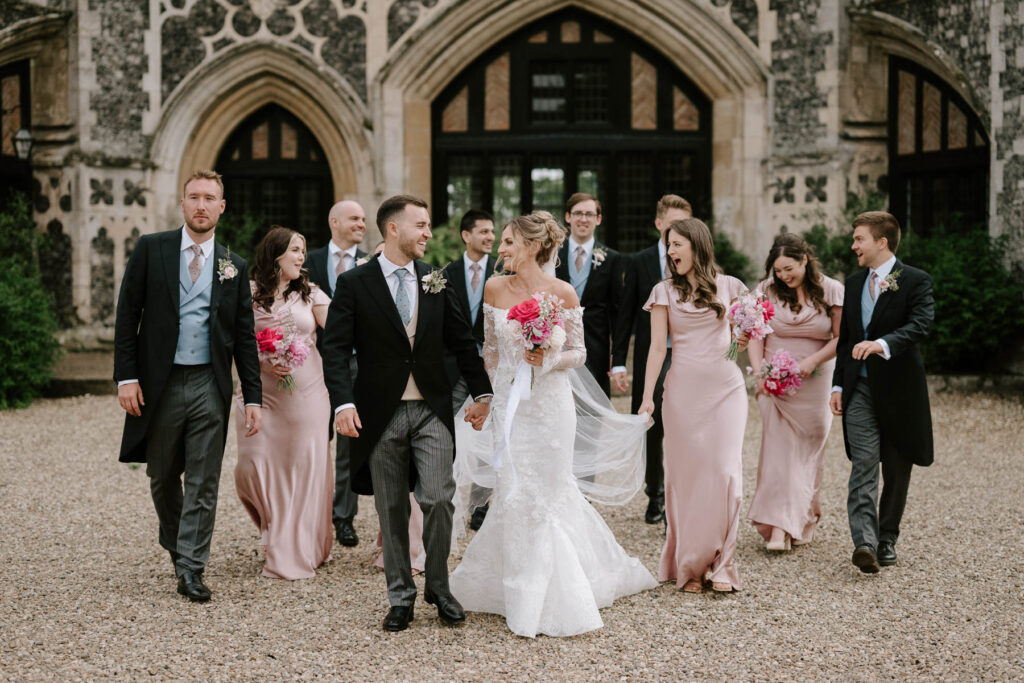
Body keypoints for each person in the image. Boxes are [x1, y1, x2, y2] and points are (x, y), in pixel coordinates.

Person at [450, 211, 656, 639]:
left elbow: (579, 352)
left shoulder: (562, 292)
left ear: (531, 246)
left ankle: (554, 589)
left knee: (548, 491)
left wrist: (549, 357)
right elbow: (491, 351)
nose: (500, 249)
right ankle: (515, 586)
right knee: (512, 489)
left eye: (508, 242)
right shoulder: (494, 287)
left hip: (550, 407)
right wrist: (489, 399)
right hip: (510, 405)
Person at [321, 194, 493, 632]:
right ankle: (400, 596)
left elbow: (462, 341)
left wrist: (482, 393)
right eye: (421, 225)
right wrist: (343, 403)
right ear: (393, 229)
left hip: (432, 410)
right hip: (380, 414)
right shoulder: (354, 283)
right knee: (391, 508)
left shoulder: (437, 279)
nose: (428, 233)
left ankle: (438, 586)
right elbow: (335, 349)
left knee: (438, 499)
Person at [113, 169, 262, 603]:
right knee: (161, 476)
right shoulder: (152, 248)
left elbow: (243, 336)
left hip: (209, 383)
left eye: (209, 198)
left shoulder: (234, 265)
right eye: (194, 197)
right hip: (161, 382)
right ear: (182, 203)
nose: (201, 205)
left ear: (221, 207)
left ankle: (192, 567)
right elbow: (127, 313)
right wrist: (127, 377)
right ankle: (179, 544)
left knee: (203, 479)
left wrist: (252, 396)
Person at [637, 218, 747, 594]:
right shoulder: (663, 291)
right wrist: (647, 397)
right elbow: (657, 348)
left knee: (725, 473)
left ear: (697, 245)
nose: (670, 252)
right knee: (687, 478)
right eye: (668, 245)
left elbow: (738, 339)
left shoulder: (731, 287)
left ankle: (724, 563)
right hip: (682, 394)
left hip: (726, 390)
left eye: (677, 244)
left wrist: (743, 340)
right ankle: (692, 564)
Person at [829, 211, 934, 574]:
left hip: (901, 392)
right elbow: (845, 340)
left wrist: (882, 344)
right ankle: (865, 542)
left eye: (859, 239)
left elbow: (921, 324)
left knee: (897, 467)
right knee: (863, 463)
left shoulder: (916, 280)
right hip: (859, 388)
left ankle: (887, 537)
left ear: (882, 242)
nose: (853, 245)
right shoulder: (854, 283)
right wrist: (838, 384)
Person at [233, 226, 334, 579]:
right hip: (259, 395)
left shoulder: (311, 293)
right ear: (275, 254)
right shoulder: (247, 293)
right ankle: (275, 528)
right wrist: (262, 359)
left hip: (307, 395)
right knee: (253, 464)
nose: (301, 256)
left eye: (303, 250)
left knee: (301, 468)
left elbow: (341, 329)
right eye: (294, 249)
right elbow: (233, 337)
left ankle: (291, 545)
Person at [746, 233, 843, 551]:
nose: (783, 276)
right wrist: (760, 371)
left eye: (789, 269)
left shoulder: (832, 290)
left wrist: (811, 362)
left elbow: (841, 337)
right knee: (778, 455)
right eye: (778, 270)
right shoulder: (766, 291)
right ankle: (778, 528)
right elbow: (755, 333)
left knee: (808, 453)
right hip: (774, 382)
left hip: (815, 382)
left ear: (805, 260)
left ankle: (806, 518)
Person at [612, 194, 693, 524]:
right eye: (673, 224)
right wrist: (619, 361)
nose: (678, 231)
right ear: (659, 224)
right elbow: (626, 314)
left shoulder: (696, 261)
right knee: (651, 424)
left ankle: (681, 495)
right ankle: (655, 494)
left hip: (687, 352)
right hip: (652, 354)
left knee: (684, 425)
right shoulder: (639, 261)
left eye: (684, 225)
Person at [304, 201, 368, 548]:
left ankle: (344, 517)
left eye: (363, 219)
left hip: (355, 363)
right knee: (312, 441)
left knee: (348, 442)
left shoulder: (371, 263)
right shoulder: (308, 261)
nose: (361, 224)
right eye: (354, 218)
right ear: (334, 222)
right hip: (312, 363)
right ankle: (310, 514)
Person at [442, 210, 496, 531]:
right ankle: (443, 494)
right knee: (444, 429)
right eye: (484, 231)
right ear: (466, 235)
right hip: (454, 366)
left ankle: (479, 504)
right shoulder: (444, 274)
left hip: (490, 367)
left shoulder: (503, 272)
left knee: (488, 433)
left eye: (492, 232)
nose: (491, 237)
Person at [555, 193, 623, 396]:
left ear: (598, 219)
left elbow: (617, 312)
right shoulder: (553, 254)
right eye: (578, 213)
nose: (583, 219)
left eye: (589, 214)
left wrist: (617, 357)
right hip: (557, 344)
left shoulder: (612, 259)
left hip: (596, 347)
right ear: (568, 217)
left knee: (594, 403)